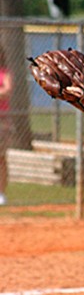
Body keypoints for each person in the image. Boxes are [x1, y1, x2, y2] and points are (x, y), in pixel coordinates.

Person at [0, 52, 12, 206]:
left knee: (1, 158)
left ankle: (1, 193)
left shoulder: (5, 73)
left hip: (1, 120)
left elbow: (7, 91)